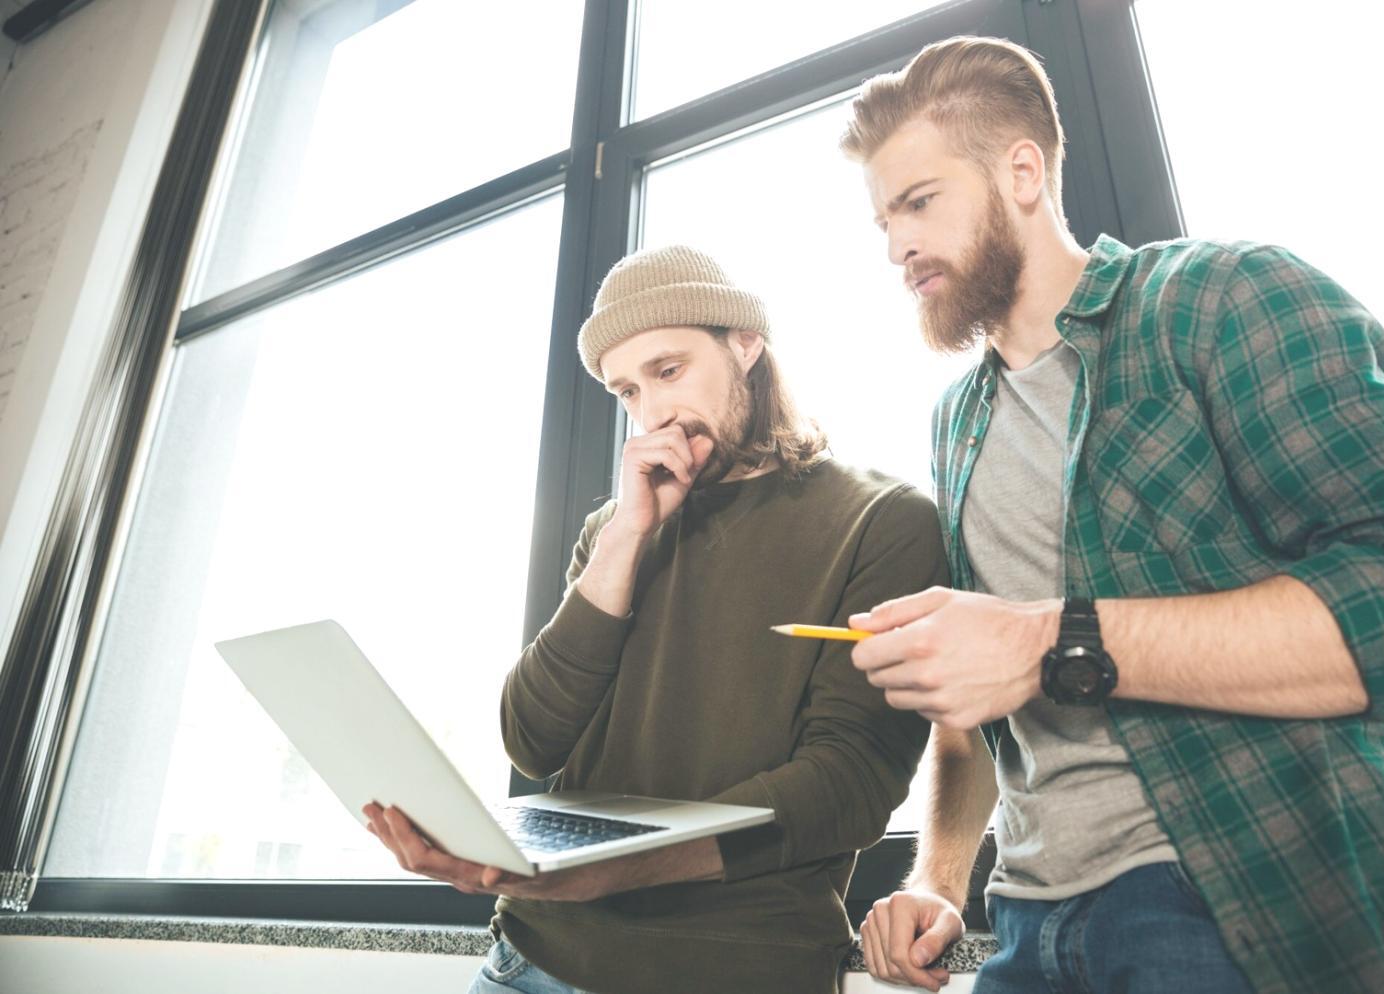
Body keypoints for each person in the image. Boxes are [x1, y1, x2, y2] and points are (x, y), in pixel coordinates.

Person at [837, 36, 1384, 994]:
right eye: (882, 222)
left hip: (1233, 892)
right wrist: (937, 880)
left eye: (919, 203)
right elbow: (976, 718)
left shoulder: (1220, 298)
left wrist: (1051, 640)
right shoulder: (956, 424)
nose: (896, 247)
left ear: (1023, 172)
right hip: (1026, 922)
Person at [363, 244, 949, 994]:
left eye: (668, 372)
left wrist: (606, 872)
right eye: (626, 392)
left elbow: (848, 783)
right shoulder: (614, 530)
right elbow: (533, 741)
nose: (652, 412)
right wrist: (625, 539)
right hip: (531, 960)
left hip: (731, 972)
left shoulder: (882, 521)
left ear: (745, 345)